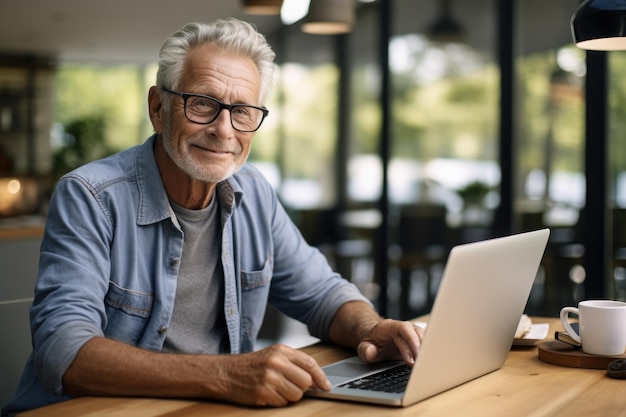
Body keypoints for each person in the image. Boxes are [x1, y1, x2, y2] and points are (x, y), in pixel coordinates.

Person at [2, 18, 422, 416]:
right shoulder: (90, 196)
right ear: (158, 107)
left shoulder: (253, 192)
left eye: (242, 111)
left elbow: (323, 295)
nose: (224, 130)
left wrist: (371, 328)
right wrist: (226, 374)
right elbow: (63, 350)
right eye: (203, 104)